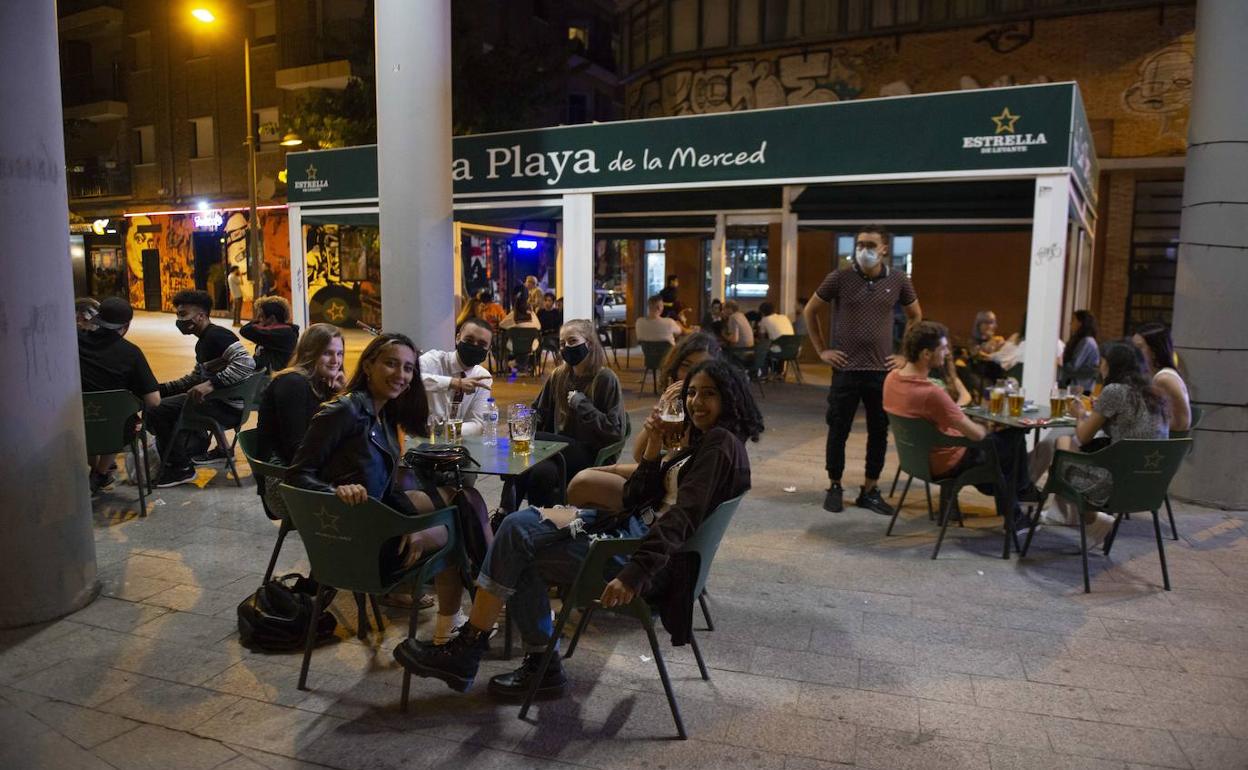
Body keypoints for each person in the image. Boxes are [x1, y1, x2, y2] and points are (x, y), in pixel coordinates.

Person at [394, 358, 761, 697]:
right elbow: (636, 496)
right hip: (628, 529)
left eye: (708, 393)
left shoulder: (720, 445)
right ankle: (486, 650)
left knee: (520, 550)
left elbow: (683, 516)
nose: (696, 401)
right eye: (692, 392)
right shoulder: (701, 441)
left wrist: (634, 574)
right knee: (518, 523)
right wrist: (653, 449)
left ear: (730, 398)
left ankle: (511, 657)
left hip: (640, 557)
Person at [285, 332, 466, 643]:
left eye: (408, 368)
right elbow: (296, 476)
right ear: (368, 365)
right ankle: (456, 623)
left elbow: (385, 483)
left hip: (376, 520)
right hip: (359, 543)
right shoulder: (344, 411)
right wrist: (336, 491)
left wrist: (411, 524)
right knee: (459, 531)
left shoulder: (382, 412)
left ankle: (469, 610)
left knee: (461, 500)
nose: (401, 375)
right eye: (391, 364)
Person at [804, 226, 922, 515]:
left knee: (879, 432)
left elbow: (916, 315)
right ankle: (835, 484)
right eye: (859, 244)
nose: (863, 250)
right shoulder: (840, 278)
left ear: (883, 249)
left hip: (881, 371)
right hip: (846, 369)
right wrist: (822, 350)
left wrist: (905, 354)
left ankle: (869, 490)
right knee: (838, 429)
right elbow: (810, 311)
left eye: (870, 245)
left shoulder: (898, 280)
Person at [884, 322, 1035, 528]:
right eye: (943, 348)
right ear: (926, 354)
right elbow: (976, 435)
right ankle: (1019, 500)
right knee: (1013, 439)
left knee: (1002, 454)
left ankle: (1014, 500)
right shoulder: (931, 393)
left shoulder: (891, 379)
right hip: (946, 463)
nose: (947, 353)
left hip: (916, 460)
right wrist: (987, 426)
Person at [566, 331, 722, 512]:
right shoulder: (677, 404)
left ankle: (586, 531)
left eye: (701, 367)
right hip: (661, 473)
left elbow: (665, 460)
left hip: (664, 490)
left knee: (582, 483)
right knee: (587, 476)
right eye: (686, 366)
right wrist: (663, 405)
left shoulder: (706, 412)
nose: (691, 374)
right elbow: (639, 454)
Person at [1050, 340, 1170, 549]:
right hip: (1149, 486)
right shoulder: (1155, 395)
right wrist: (1101, 414)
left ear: (1113, 365)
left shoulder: (1115, 391)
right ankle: (1067, 514)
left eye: (1102, 362)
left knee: (1063, 440)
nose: (1099, 367)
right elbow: (1129, 428)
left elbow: (1082, 437)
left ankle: (1092, 518)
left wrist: (1079, 415)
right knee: (1074, 447)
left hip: (1114, 485)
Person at [145, 290, 256, 487]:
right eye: (178, 314)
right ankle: (185, 454)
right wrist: (161, 389)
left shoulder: (217, 336)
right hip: (223, 404)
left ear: (201, 316)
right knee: (162, 401)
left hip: (226, 408)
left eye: (183, 314)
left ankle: (180, 468)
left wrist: (211, 384)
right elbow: (195, 378)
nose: (179, 320)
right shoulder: (204, 341)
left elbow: (246, 363)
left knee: (158, 410)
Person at [514, 319, 625, 508]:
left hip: (590, 454)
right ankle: (537, 522)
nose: (566, 347)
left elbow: (615, 431)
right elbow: (539, 412)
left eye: (572, 341)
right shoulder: (559, 375)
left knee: (529, 439)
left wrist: (583, 405)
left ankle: (506, 510)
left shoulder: (605, 378)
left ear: (588, 343)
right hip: (557, 452)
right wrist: (524, 419)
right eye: (562, 343)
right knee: (538, 472)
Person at [254, 324, 344, 519]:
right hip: (283, 484)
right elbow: (295, 449)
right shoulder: (293, 383)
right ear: (310, 353)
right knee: (367, 496)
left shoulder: (321, 384)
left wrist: (342, 392)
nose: (335, 361)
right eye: (327, 353)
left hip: (303, 474)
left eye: (340, 354)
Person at [78, 297, 161, 492]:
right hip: (116, 433)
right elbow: (154, 400)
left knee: (92, 418)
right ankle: (100, 473)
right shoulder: (131, 352)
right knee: (120, 417)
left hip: (76, 427)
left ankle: (96, 469)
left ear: (97, 319)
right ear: (126, 326)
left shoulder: (74, 341)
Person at [420, 318, 494, 437]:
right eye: (469, 340)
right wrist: (453, 383)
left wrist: (444, 430)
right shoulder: (433, 360)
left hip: (453, 443)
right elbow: (411, 380)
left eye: (482, 344)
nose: (474, 346)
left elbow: (478, 424)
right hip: (418, 438)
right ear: (458, 338)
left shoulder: (483, 377)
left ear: (489, 350)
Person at [1132, 322, 1191, 433]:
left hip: (1163, 446)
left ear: (1154, 351)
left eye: (1139, 348)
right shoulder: (1158, 375)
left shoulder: (1164, 379)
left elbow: (1181, 425)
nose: (1132, 352)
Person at [240, 296, 300, 373]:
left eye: (261, 316)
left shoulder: (282, 333)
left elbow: (246, 330)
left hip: (271, 378)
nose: (258, 320)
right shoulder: (273, 331)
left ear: (272, 319)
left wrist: (257, 321)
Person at [1060, 310, 1100, 394]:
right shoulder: (1083, 340)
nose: (1070, 323)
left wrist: (1060, 363)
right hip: (1077, 386)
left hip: (1080, 388)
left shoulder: (1087, 341)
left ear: (1080, 323)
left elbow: (1073, 366)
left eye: (1073, 320)